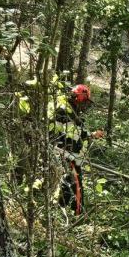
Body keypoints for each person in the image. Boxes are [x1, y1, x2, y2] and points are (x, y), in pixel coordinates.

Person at [50, 84, 104, 215]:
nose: (85, 104)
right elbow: (71, 133)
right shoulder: (65, 111)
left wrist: (90, 135)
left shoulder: (72, 111)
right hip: (66, 153)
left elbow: (76, 131)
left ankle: (59, 211)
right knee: (76, 186)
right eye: (84, 100)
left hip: (71, 154)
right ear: (79, 97)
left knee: (67, 184)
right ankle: (78, 214)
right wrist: (90, 134)